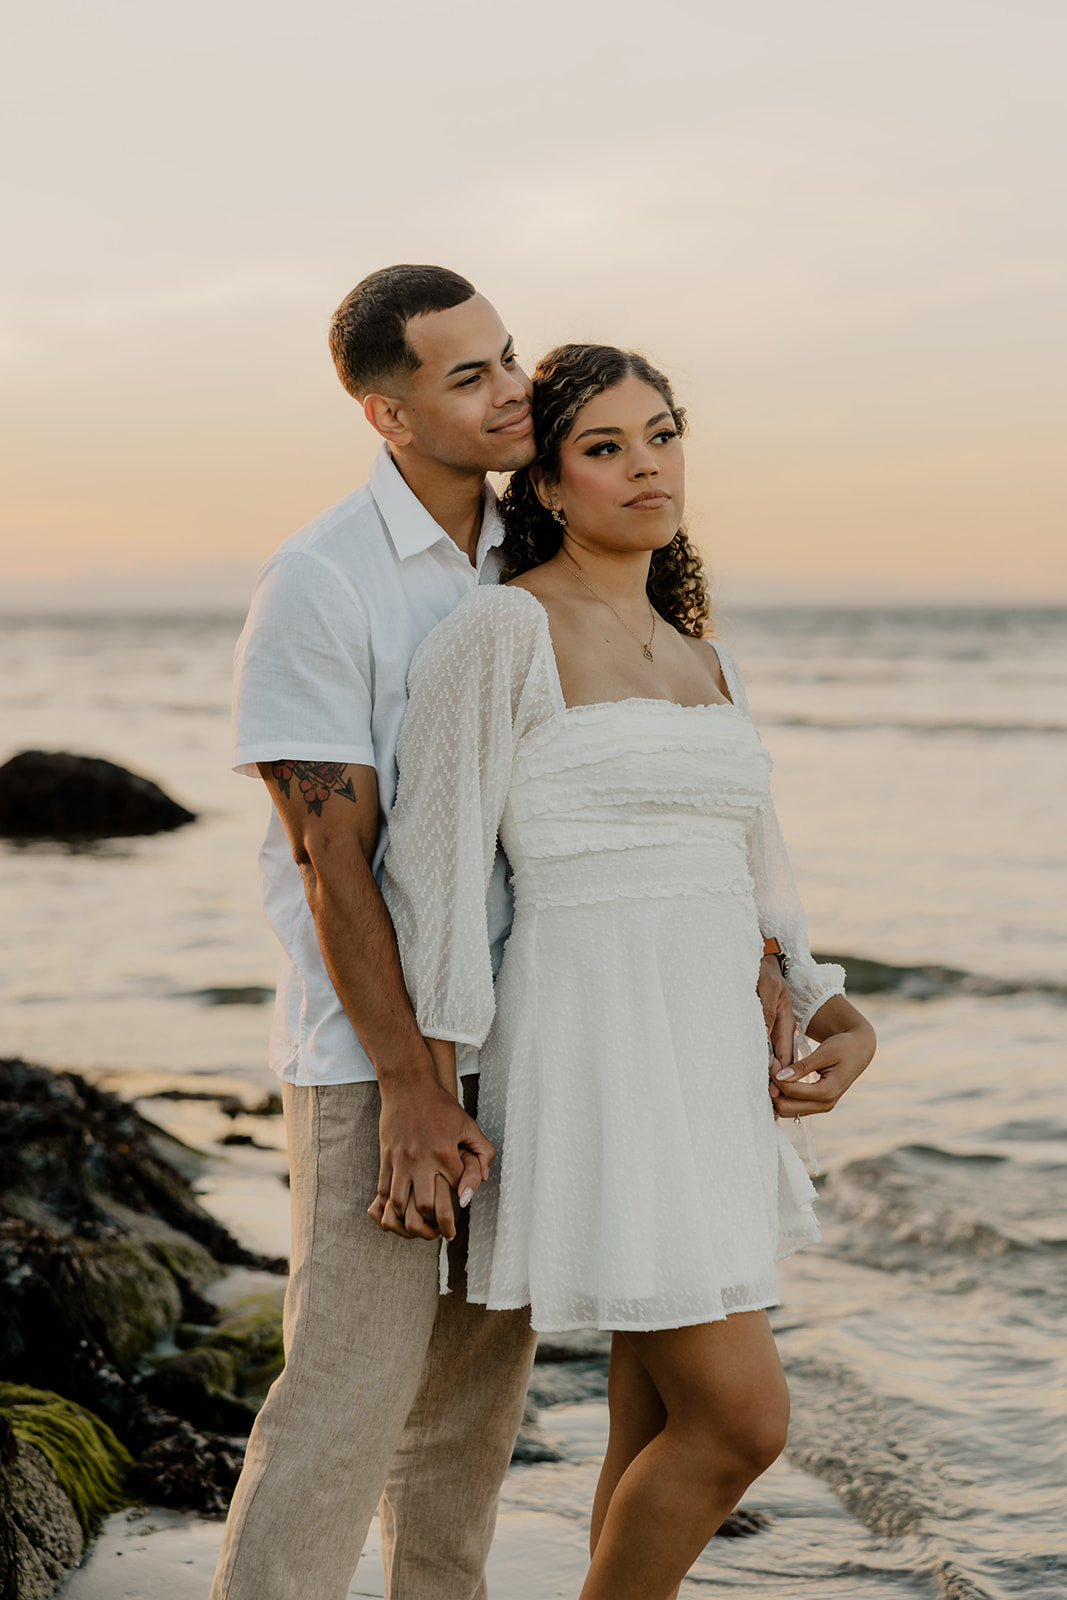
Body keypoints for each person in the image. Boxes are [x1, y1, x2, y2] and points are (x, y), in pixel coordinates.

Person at [213, 266, 801, 1600]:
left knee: (465, 1429)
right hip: (377, 1061)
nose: (511, 390)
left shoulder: (522, 554)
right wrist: (415, 1091)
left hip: (528, 1048)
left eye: (509, 357)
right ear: (388, 414)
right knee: (344, 1405)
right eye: (466, 375)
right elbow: (335, 859)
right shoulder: (325, 579)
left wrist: (774, 982)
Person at [382, 343, 877, 1599]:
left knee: (651, 1423)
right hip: (598, 1046)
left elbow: (756, 881)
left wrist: (827, 1002)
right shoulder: (499, 631)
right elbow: (430, 885)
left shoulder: (701, 652)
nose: (645, 466)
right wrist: (428, 1093)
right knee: (739, 1424)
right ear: (546, 483)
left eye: (659, 435)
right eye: (604, 448)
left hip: (709, 1062)